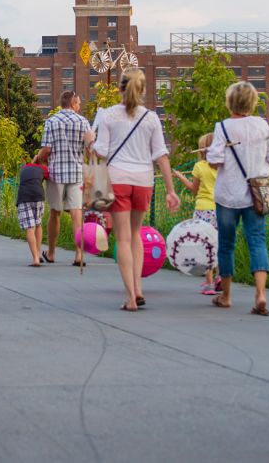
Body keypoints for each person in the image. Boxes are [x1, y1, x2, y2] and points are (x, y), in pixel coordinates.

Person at [93, 69, 181, 311]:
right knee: (135, 234)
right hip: (144, 181)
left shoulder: (109, 116)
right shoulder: (151, 118)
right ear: (142, 90)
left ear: (120, 88)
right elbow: (161, 157)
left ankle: (130, 297)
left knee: (122, 239)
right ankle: (139, 287)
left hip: (118, 179)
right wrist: (171, 191)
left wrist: (90, 140)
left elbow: (100, 151)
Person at [207, 81, 269, 316]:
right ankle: (260, 294)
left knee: (227, 245)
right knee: (257, 241)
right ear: (252, 103)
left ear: (230, 102)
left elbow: (214, 160)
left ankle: (226, 296)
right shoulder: (263, 126)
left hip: (228, 195)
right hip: (256, 195)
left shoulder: (223, 127)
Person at [36, 90, 94, 265]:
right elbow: (90, 150)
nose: (79, 107)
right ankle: (78, 255)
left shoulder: (51, 122)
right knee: (76, 213)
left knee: (55, 213)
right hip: (76, 172)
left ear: (62, 104)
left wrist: (38, 160)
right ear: (74, 104)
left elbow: (46, 150)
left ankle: (52, 253)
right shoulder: (83, 122)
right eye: (78, 104)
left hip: (56, 173)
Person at [173, 132, 220, 295]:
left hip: (203, 209)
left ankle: (209, 283)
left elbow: (194, 190)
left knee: (205, 245)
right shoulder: (222, 165)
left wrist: (180, 177)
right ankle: (220, 277)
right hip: (220, 208)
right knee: (218, 244)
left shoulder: (199, 166)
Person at [16, 155, 50, 266]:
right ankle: (38, 254)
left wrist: (36, 159)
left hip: (24, 198)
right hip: (38, 197)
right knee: (38, 224)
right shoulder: (44, 169)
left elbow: (32, 168)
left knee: (30, 229)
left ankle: (35, 258)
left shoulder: (25, 167)